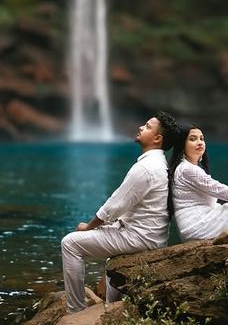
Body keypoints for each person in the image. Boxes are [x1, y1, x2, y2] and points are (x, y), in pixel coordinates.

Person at [61, 111, 178, 313]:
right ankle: (112, 307)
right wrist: (107, 225)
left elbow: (114, 205)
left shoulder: (146, 168)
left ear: (158, 138)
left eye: (148, 126)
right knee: (110, 254)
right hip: (151, 235)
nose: (141, 127)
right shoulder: (158, 164)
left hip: (140, 238)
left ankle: (76, 310)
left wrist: (88, 228)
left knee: (70, 243)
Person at [168, 124, 228, 242]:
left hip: (194, 225)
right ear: (182, 144)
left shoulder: (184, 167)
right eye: (192, 139)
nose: (200, 142)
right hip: (197, 226)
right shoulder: (187, 169)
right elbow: (219, 190)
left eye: (202, 138)